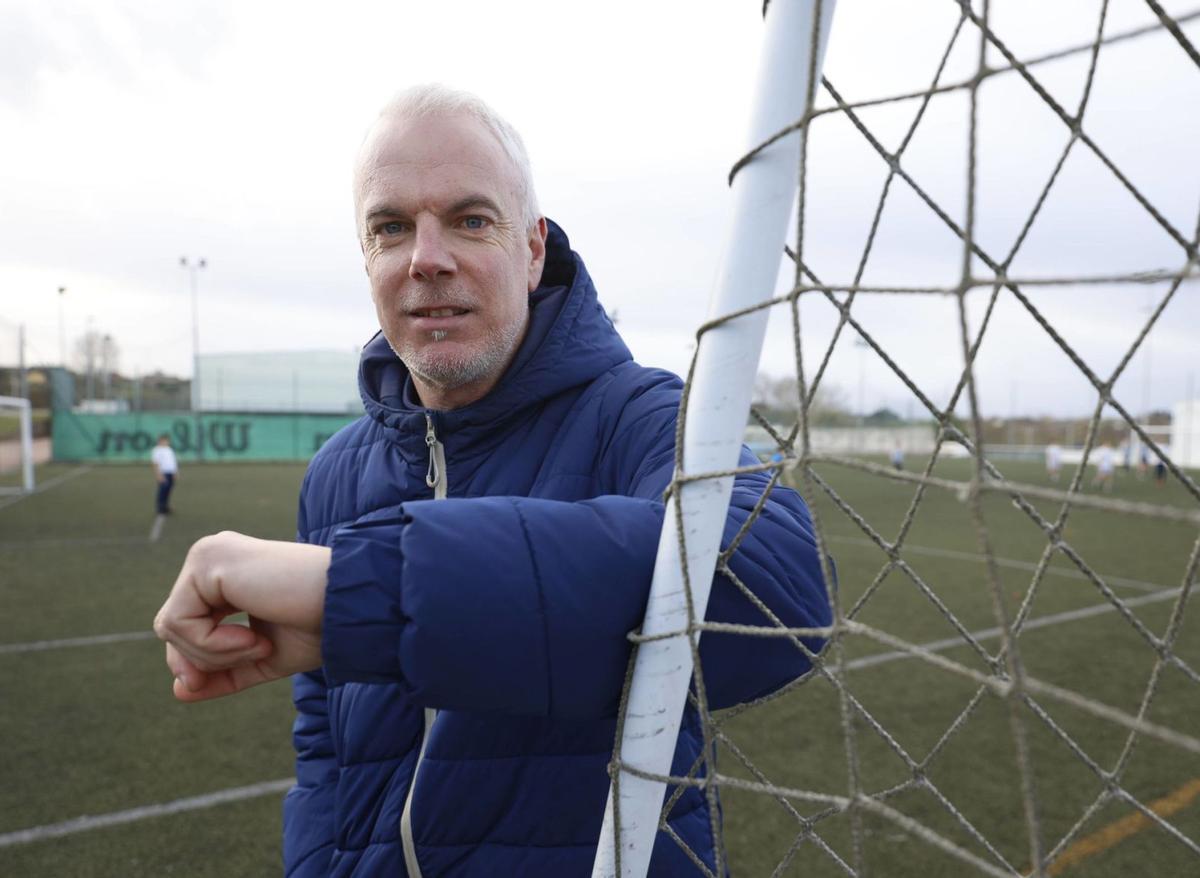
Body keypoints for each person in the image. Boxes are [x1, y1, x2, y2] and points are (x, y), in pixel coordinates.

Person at [153, 85, 831, 877]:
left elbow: (775, 588)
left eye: (470, 220)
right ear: (366, 256)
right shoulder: (337, 470)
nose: (426, 258)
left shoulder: (644, 414)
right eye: (391, 228)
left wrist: (363, 588)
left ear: (534, 248)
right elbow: (325, 748)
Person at [150, 433, 177, 514]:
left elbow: (173, 462)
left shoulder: (169, 449)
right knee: (162, 491)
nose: (166, 442)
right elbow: (155, 463)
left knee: (168, 490)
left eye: (167, 441)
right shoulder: (157, 450)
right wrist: (159, 475)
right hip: (163, 473)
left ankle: (165, 506)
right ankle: (160, 507)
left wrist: (175, 472)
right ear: (160, 441)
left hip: (170, 473)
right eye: (164, 441)